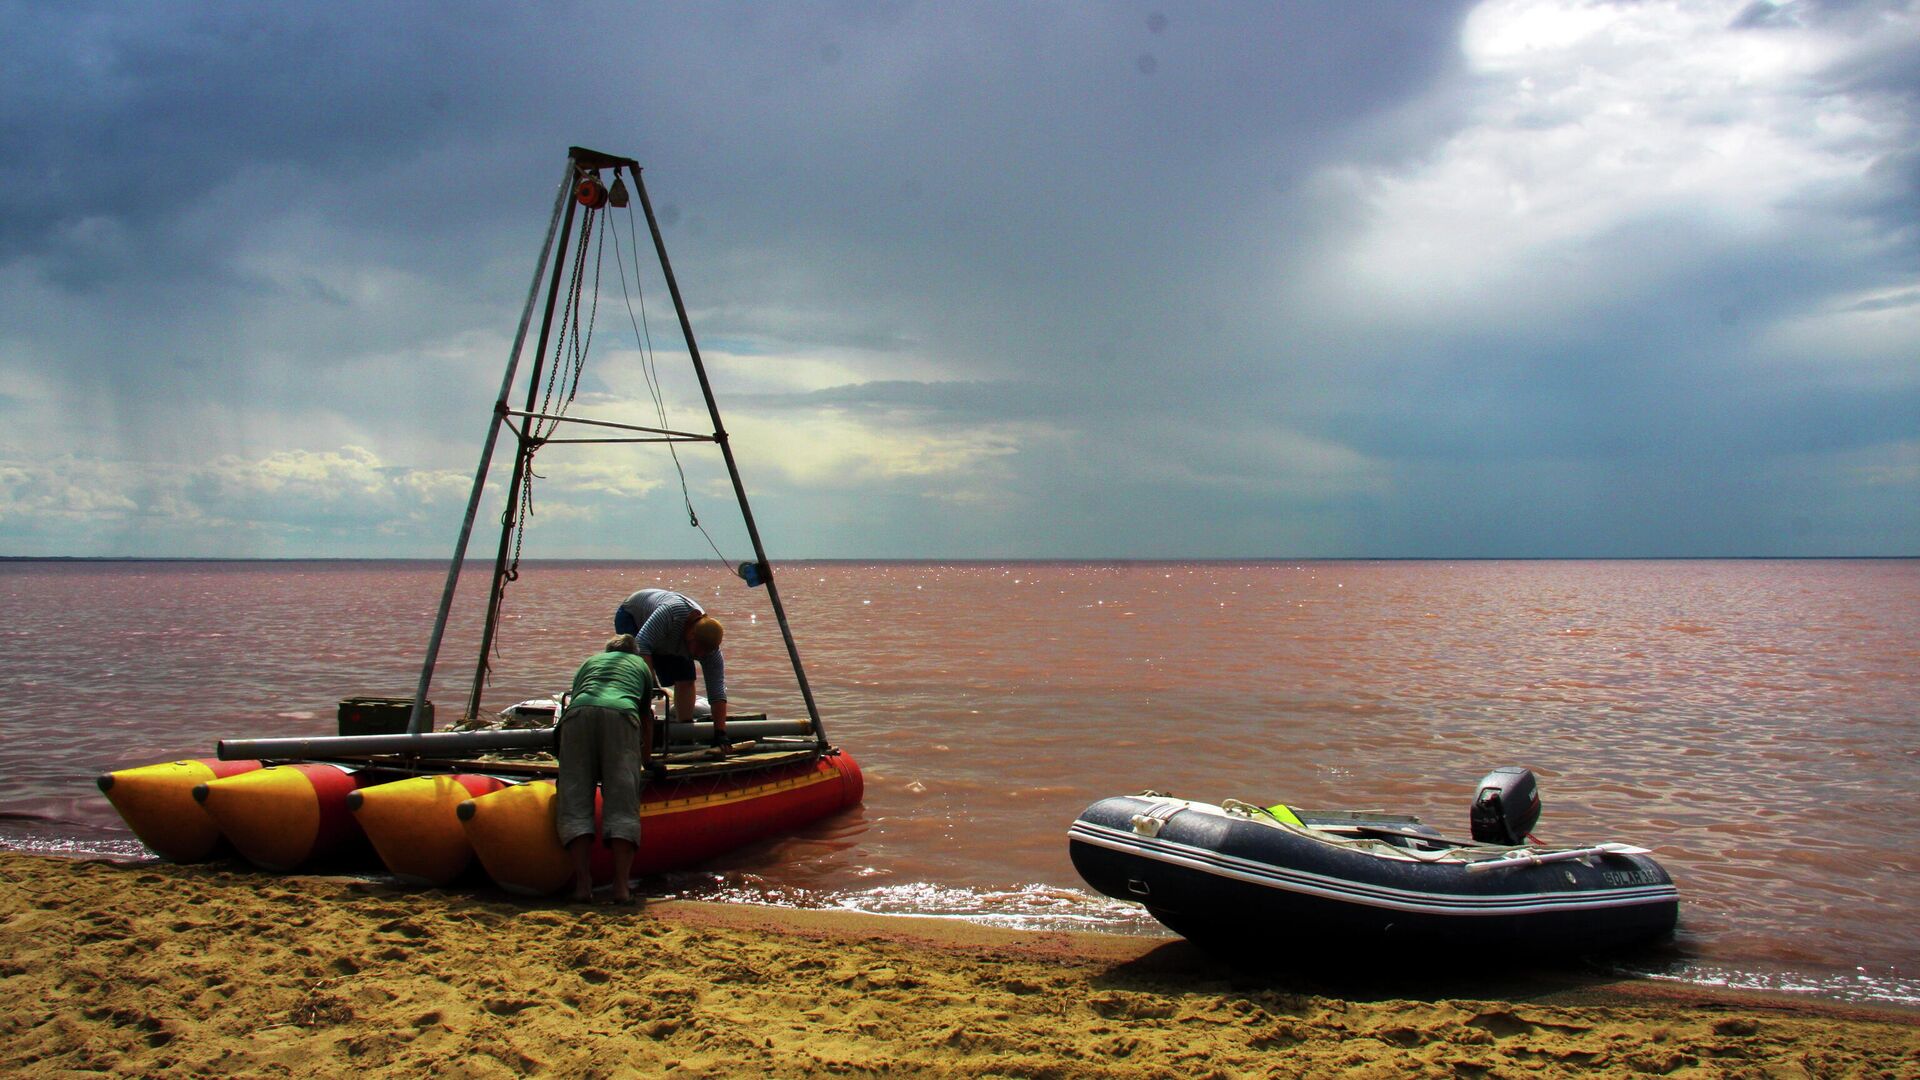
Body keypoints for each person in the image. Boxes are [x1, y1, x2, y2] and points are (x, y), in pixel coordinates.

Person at [555, 633, 655, 903]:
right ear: (634, 653)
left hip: (577, 715)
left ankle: (582, 885)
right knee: (622, 802)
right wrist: (646, 760)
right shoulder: (641, 666)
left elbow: (576, 697)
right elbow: (646, 718)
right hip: (621, 716)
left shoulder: (590, 661)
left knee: (575, 800)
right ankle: (621, 888)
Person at [614, 588, 728, 744]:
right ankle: (637, 730)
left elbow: (717, 692)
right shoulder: (670, 614)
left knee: (686, 679)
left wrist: (720, 733)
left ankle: (685, 732)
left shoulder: (710, 652)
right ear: (691, 634)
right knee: (640, 682)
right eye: (699, 649)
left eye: (706, 652)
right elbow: (642, 644)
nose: (701, 655)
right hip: (633, 617)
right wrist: (651, 681)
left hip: (670, 636)